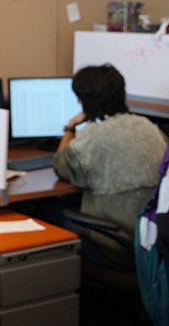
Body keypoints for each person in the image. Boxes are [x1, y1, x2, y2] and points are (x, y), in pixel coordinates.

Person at [53, 63, 168, 261]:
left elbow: (60, 165)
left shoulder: (91, 139)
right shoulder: (150, 128)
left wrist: (69, 128)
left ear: (83, 102)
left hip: (115, 246)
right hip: (153, 241)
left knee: (45, 213)